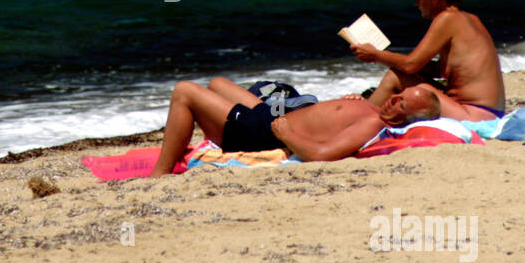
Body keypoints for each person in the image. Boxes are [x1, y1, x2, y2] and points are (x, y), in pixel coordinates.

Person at [147, 77, 440, 177]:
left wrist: (286, 136)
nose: (394, 100)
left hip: (264, 133)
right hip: (271, 117)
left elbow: (322, 155)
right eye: (399, 95)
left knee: (185, 91)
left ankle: (159, 174)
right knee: (217, 84)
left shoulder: (372, 124)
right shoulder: (374, 111)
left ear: (407, 119)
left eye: (401, 104)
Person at [350, 0, 506, 121]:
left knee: (396, 77)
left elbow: (410, 65)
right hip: (490, 112)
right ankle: (364, 113)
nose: (416, 3)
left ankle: (360, 120)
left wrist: (376, 54)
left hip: (475, 114)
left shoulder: (447, 19)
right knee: (405, 79)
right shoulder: (471, 19)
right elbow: (441, 69)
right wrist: (385, 58)